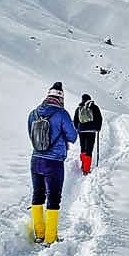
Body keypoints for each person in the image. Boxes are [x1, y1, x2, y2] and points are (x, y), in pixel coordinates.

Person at [27, 82, 77, 245]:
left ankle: (39, 234)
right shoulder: (62, 114)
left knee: (37, 195)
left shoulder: (33, 113)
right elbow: (72, 136)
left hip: (35, 160)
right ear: (60, 98)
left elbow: (32, 136)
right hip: (53, 162)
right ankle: (50, 238)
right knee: (53, 198)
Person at [73, 94, 102, 175]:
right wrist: (98, 128)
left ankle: (83, 165)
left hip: (81, 130)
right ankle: (86, 169)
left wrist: (78, 128)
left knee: (83, 147)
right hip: (91, 131)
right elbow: (99, 118)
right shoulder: (94, 107)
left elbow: (75, 120)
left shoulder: (79, 108)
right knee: (89, 149)